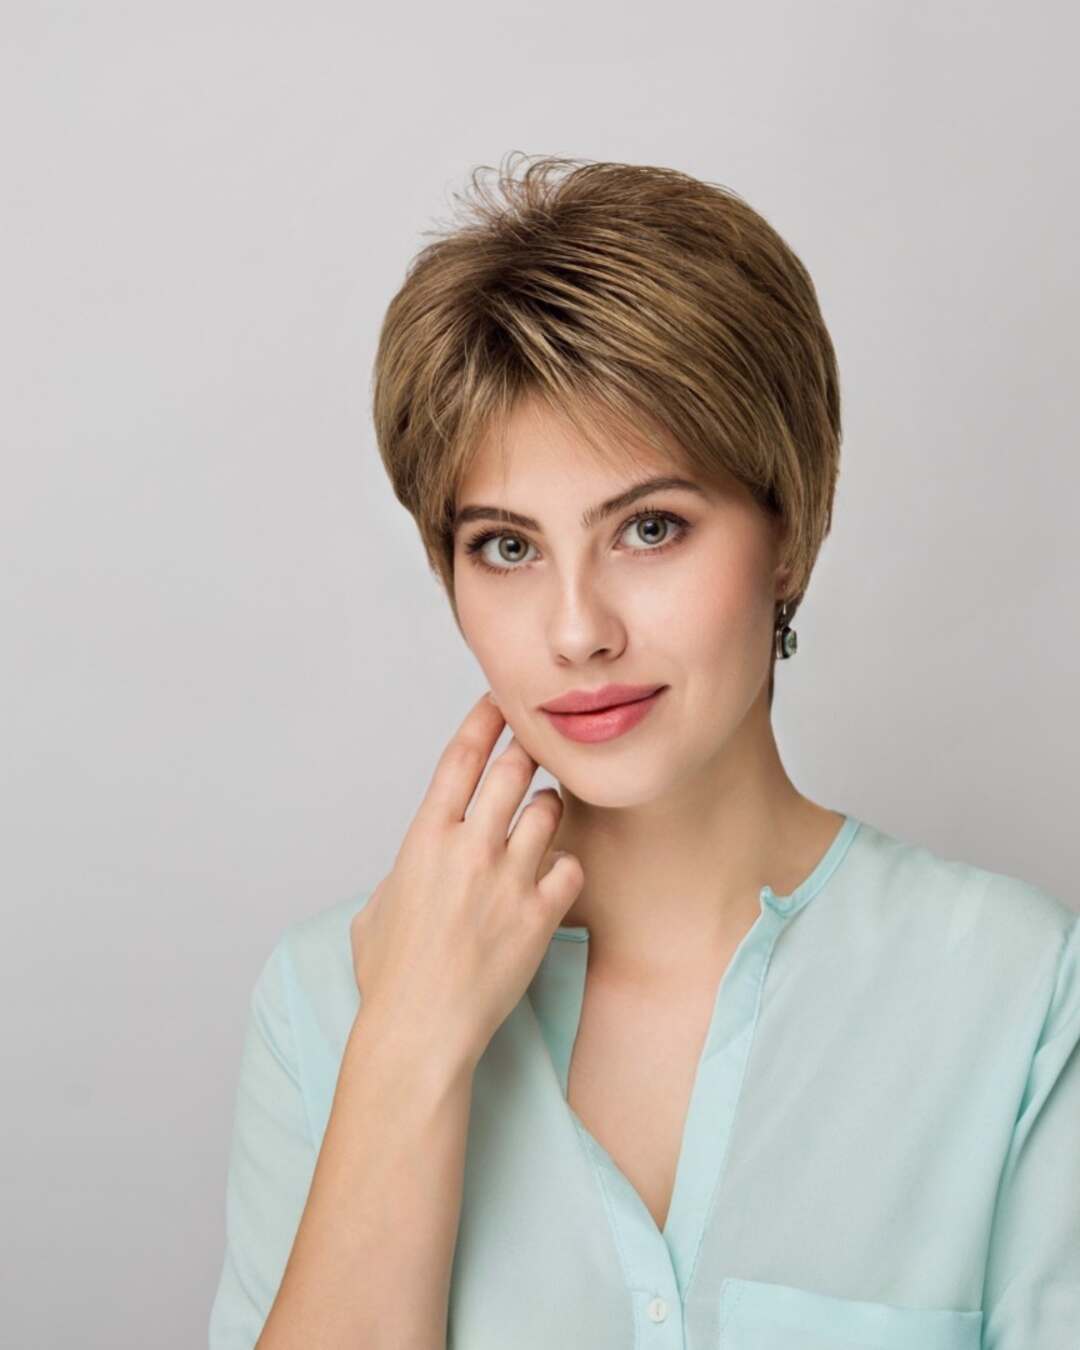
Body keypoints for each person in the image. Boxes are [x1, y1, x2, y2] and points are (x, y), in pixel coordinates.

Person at [208, 154, 1078, 1349]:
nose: (577, 631)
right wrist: (406, 1049)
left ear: (790, 532)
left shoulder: (1021, 995)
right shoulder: (325, 1000)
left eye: (650, 528)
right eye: (507, 547)